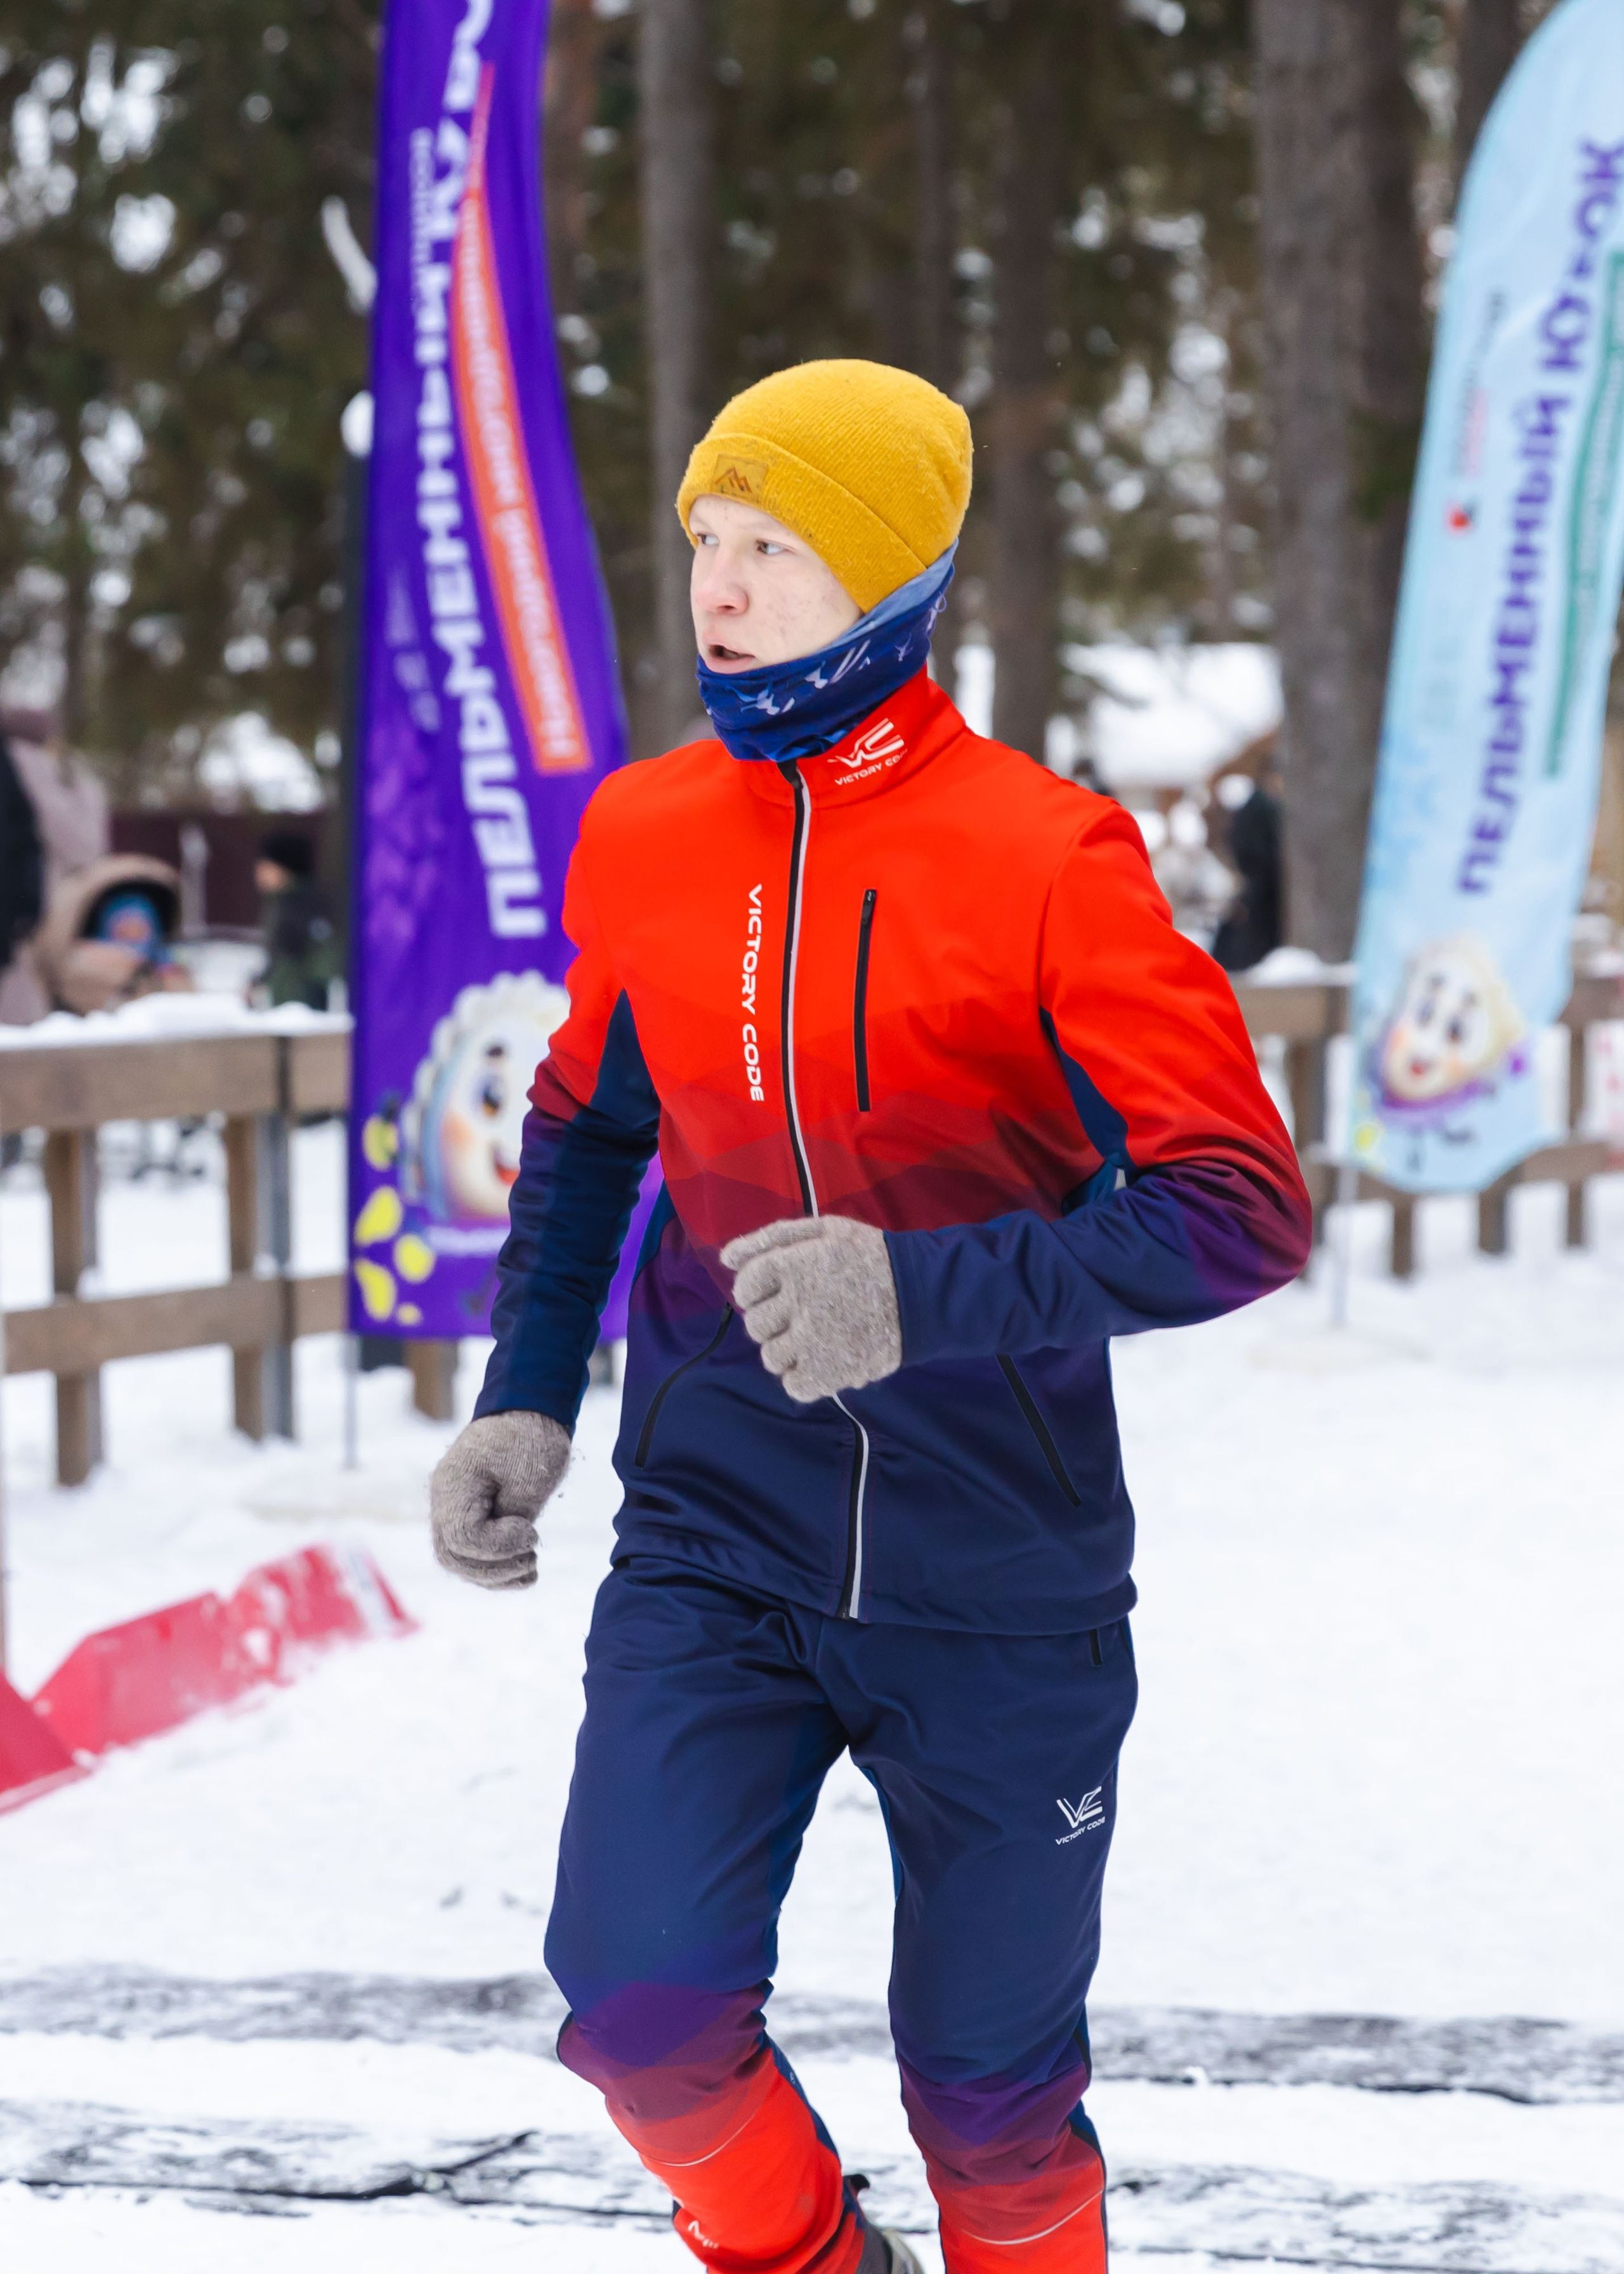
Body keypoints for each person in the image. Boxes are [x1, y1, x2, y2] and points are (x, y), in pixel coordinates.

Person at [430, 360, 1311, 2273]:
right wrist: (524, 1395)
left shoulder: (1048, 856)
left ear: (893, 577)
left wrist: (918, 1292)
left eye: (776, 549)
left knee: (988, 2092)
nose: (721, 588)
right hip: (713, 1536)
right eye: (708, 544)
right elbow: (587, 1133)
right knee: (637, 2006)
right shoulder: (652, 832)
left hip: (999, 1569)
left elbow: (1240, 1211)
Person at [255, 827, 338, 1009]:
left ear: (284, 867)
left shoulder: (303, 908)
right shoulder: (282, 903)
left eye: (266, 864)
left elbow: (317, 967)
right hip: (286, 1009)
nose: (259, 871)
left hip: (302, 1015)